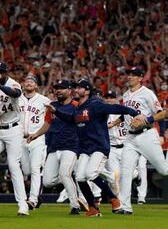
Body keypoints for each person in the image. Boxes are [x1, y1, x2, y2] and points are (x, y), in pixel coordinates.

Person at [46, 79, 141, 217]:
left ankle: (113, 198)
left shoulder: (96, 104)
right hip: (85, 149)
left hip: (99, 147)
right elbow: (71, 119)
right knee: (79, 177)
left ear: (87, 91)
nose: (76, 90)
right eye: (76, 88)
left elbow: (115, 108)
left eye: (79, 88)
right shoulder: (78, 107)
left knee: (91, 173)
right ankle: (93, 208)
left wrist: (134, 112)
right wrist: (56, 111)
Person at [113, 68, 168, 214]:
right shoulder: (125, 94)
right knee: (125, 171)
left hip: (146, 136)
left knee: (163, 170)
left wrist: (149, 122)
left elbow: (162, 113)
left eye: (133, 75)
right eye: (129, 74)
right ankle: (125, 207)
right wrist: (115, 122)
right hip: (130, 138)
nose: (129, 77)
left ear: (140, 78)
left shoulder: (147, 93)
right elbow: (126, 115)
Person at [28, 80, 83, 214]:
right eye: (57, 88)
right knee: (47, 181)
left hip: (71, 146)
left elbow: (77, 121)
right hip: (54, 147)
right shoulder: (52, 105)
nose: (58, 91)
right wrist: (36, 134)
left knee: (64, 173)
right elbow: (48, 123)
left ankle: (75, 205)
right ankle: (69, 178)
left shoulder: (76, 105)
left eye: (62, 88)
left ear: (70, 91)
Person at [0, 61, 29, 216]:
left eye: (0, 71)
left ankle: (23, 204)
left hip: (13, 130)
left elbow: (16, 93)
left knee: (13, 165)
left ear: (6, 73)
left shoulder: (13, 84)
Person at [19, 75, 51, 210]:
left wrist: (39, 134)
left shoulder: (44, 100)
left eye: (32, 81)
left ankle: (32, 199)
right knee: (26, 169)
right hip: (20, 138)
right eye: (27, 81)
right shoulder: (17, 98)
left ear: (36, 86)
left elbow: (49, 120)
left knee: (35, 169)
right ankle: (35, 195)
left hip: (37, 138)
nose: (29, 83)